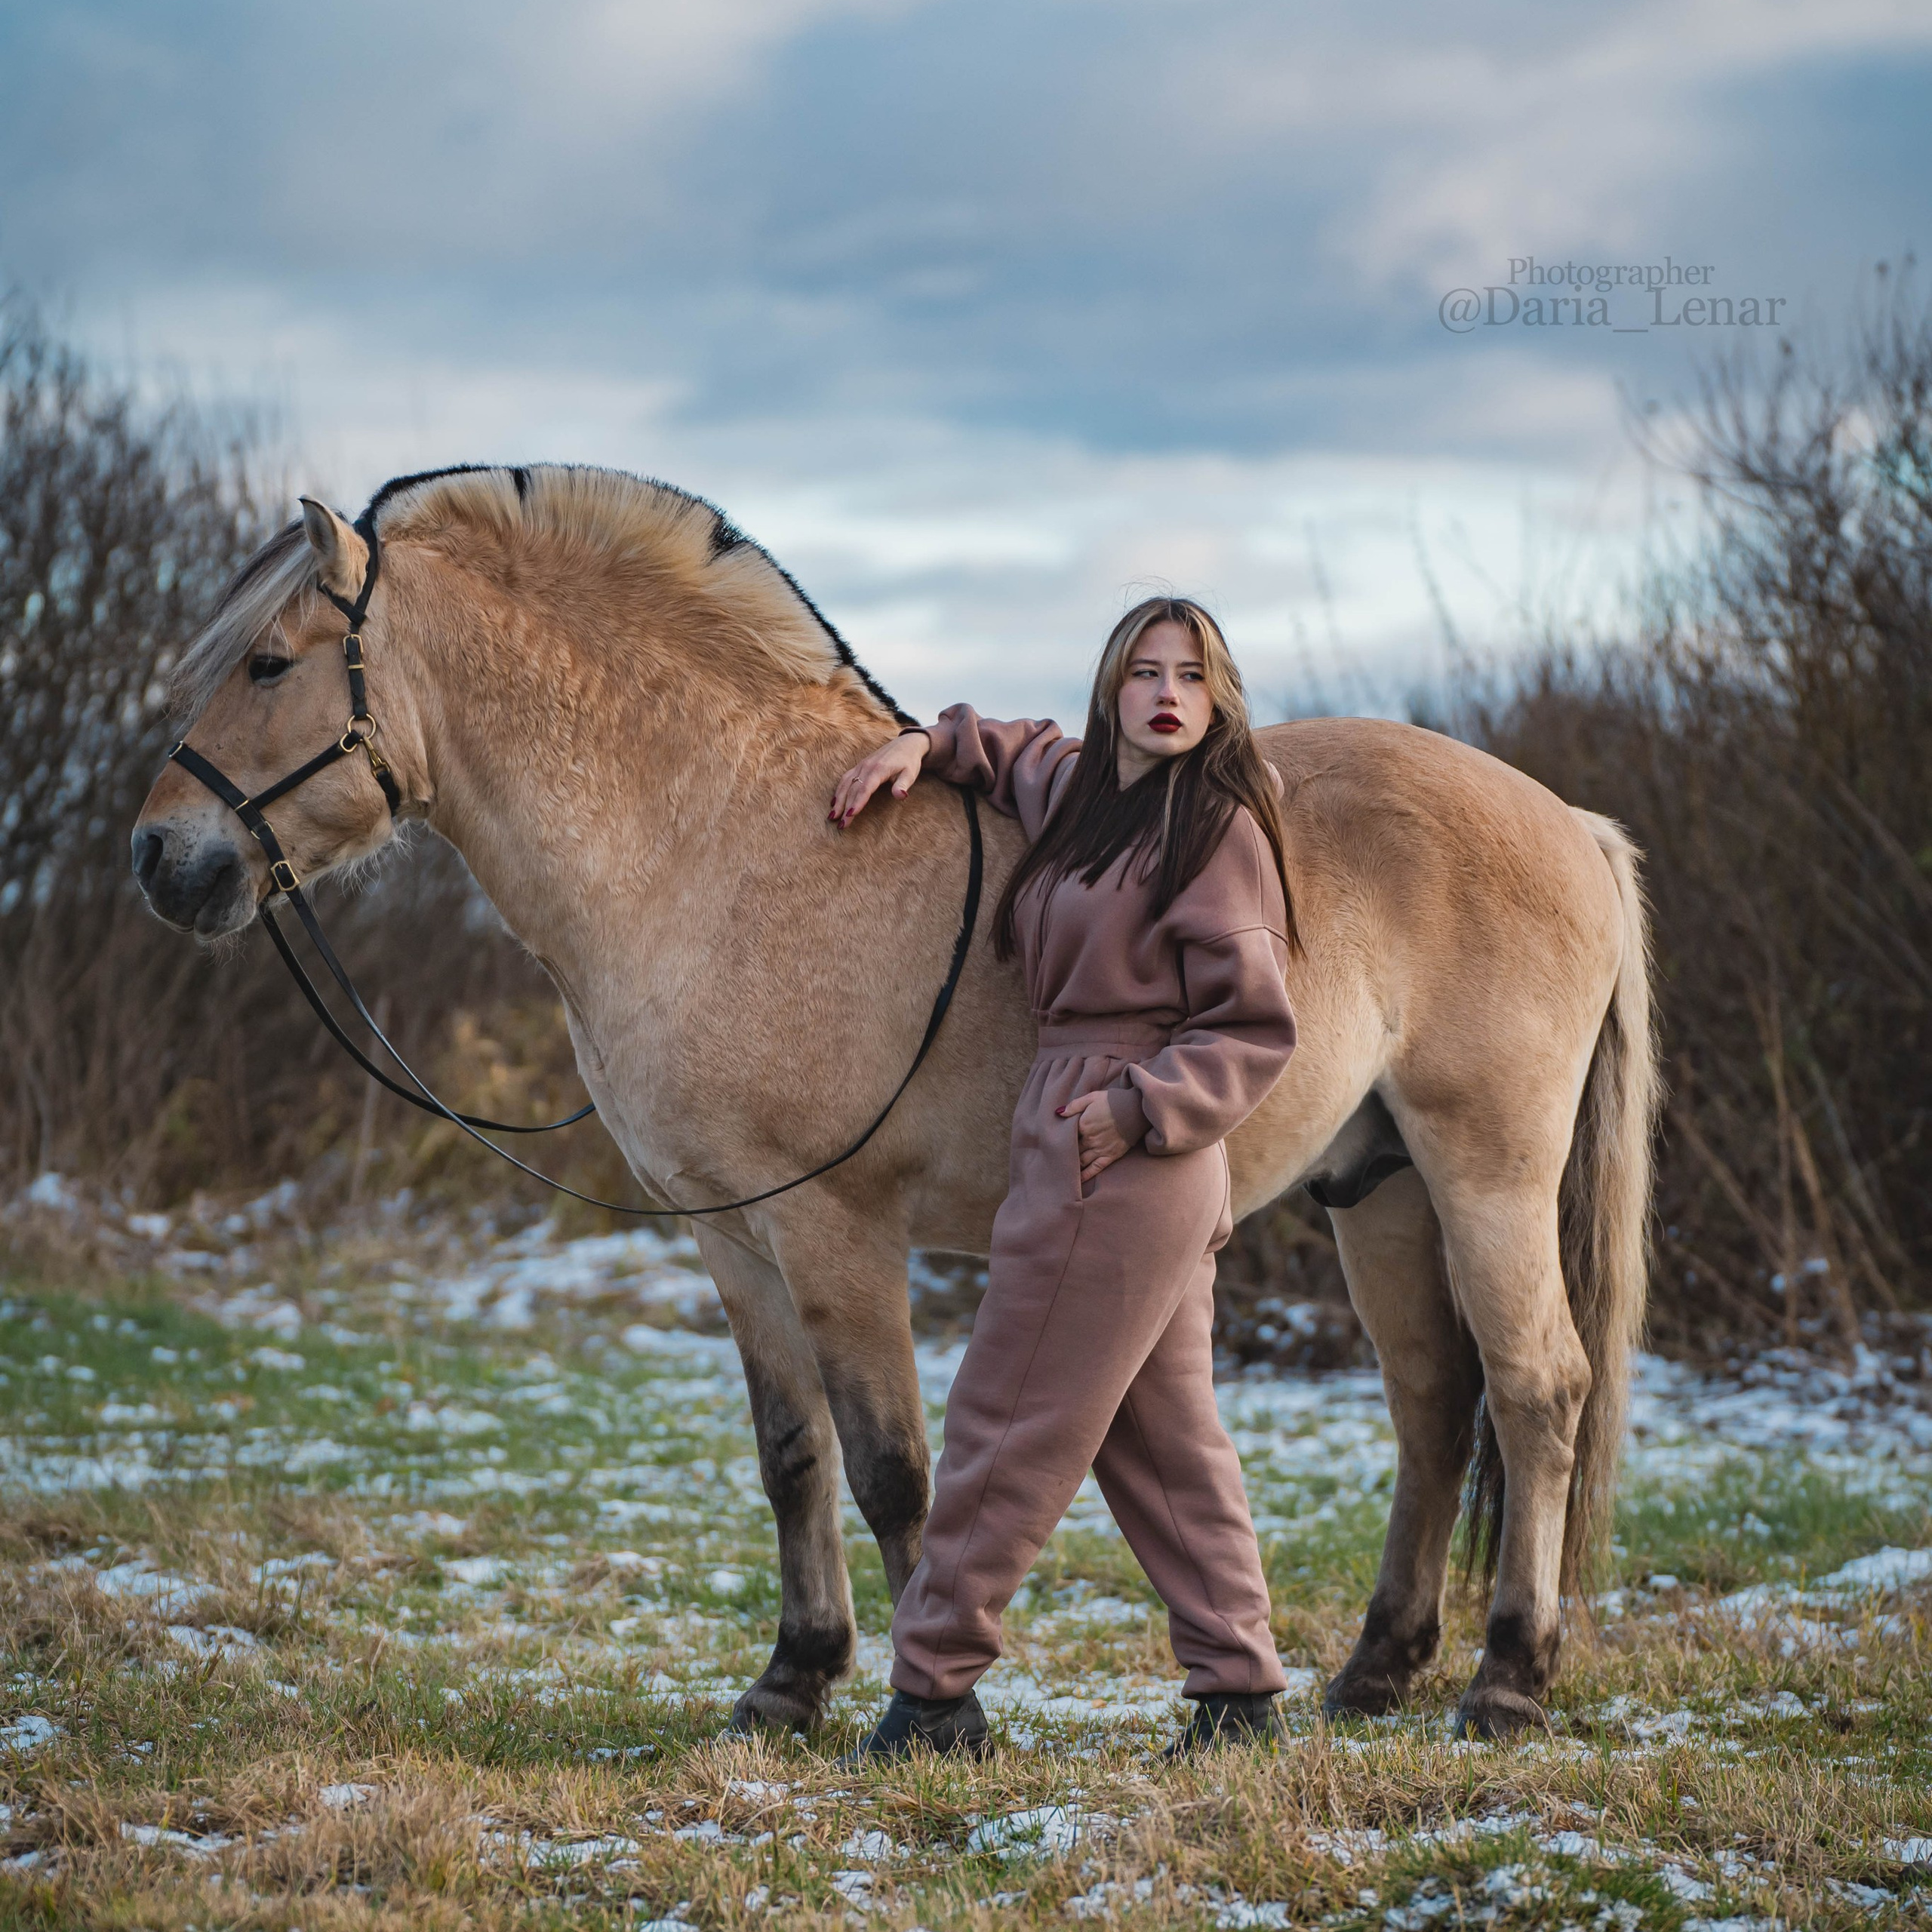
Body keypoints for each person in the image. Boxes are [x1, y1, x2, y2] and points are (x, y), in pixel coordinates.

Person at [827, 596, 1300, 1759]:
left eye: (1192, 675)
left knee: (1007, 1412)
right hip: (1089, 1128)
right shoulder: (1089, 794)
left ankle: (933, 1694)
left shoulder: (1215, 829)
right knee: (1162, 1434)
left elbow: (1252, 1026)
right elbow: (1013, 752)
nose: (1169, 694)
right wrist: (921, 746)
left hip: (1128, 1144)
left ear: (1219, 696)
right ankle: (1238, 1696)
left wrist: (1133, 1114)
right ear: (1115, 688)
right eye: (1146, 672)